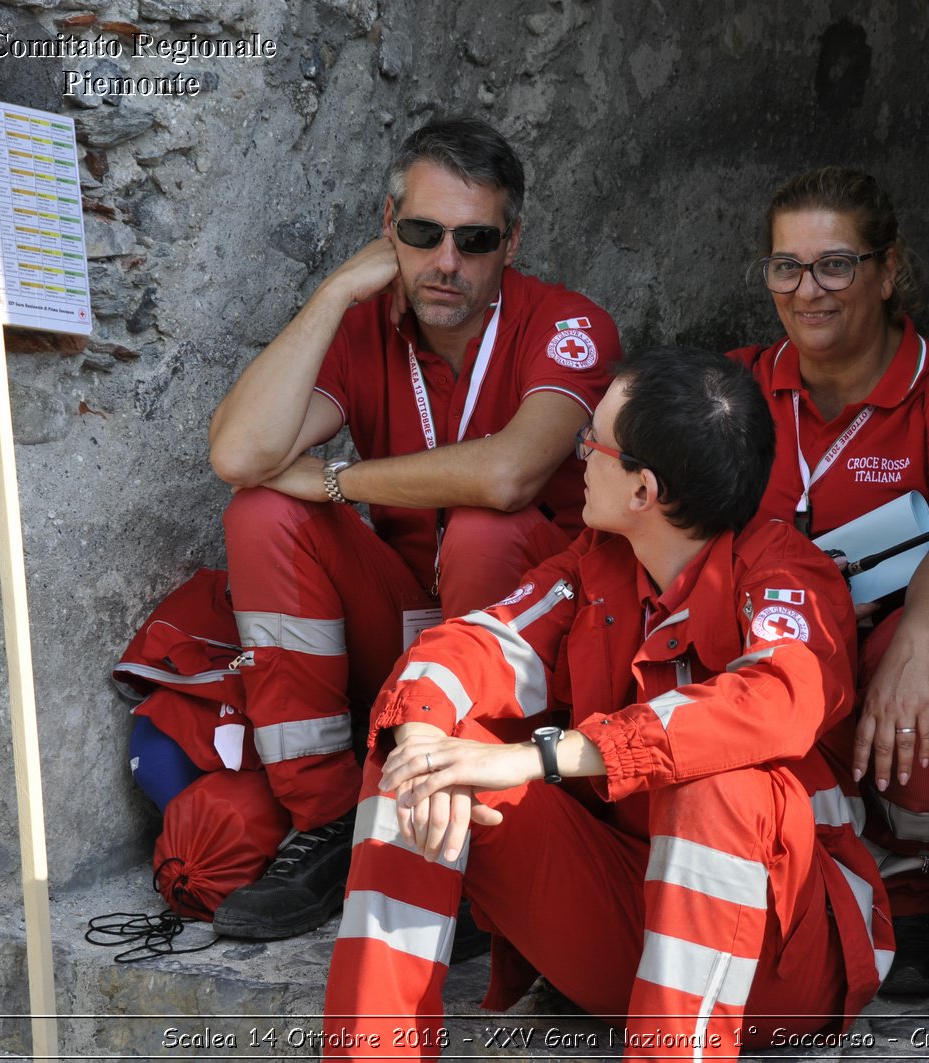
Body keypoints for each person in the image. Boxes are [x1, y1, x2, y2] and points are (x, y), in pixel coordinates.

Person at [321, 347, 893, 1060]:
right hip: (630, 932)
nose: (578, 456)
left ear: (643, 490)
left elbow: (773, 697)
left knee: (715, 780)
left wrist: (542, 757)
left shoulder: (787, 576)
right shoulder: (599, 559)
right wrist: (420, 737)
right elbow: (475, 646)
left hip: (777, 971)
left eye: (592, 444)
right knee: (422, 754)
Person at [203, 115, 620, 938]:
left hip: (537, 635)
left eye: (475, 239)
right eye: (423, 233)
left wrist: (337, 479)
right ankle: (326, 821)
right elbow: (240, 453)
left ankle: (473, 811)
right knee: (261, 510)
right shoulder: (364, 323)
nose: (446, 262)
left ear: (512, 241)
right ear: (388, 225)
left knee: (482, 530)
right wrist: (335, 294)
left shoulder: (568, 323)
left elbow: (510, 474)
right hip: (403, 618)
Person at [731, 166, 929, 989]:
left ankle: (920, 892)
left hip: (902, 653)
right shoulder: (736, 386)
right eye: (787, 266)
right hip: (791, 650)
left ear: (887, 271)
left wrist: (914, 639)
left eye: (836, 264)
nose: (809, 290)